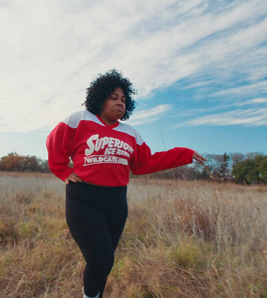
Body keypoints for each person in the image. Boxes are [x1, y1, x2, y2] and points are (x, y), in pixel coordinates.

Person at [46, 69, 206, 298]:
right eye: (113, 97)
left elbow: (145, 163)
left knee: (106, 259)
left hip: (116, 202)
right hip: (84, 198)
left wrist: (184, 154)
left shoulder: (130, 132)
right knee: (100, 258)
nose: (120, 103)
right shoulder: (79, 119)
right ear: (100, 98)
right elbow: (54, 142)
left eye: (123, 99)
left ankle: (94, 294)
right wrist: (62, 170)